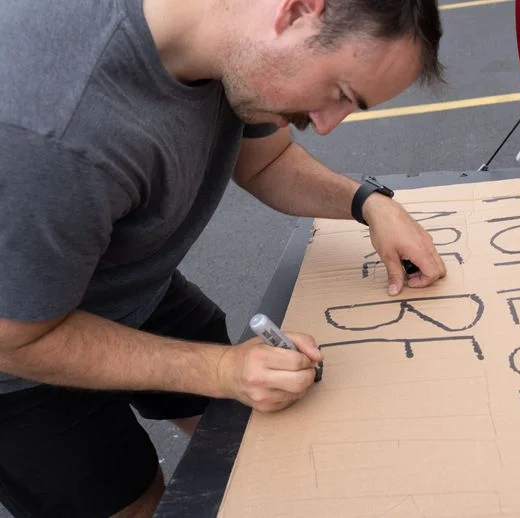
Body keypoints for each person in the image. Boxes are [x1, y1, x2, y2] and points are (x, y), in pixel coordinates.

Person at [0, 0, 447, 515]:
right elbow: (17, 338)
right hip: (20, 356)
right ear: (298, 10)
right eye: (339, 93)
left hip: (127, 276)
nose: (326, 125)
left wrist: (367, 204)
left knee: (241, 435)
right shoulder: (52, 128)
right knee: (137, 500)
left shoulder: (230, 38)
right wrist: (219, 369)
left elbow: (267, 162)